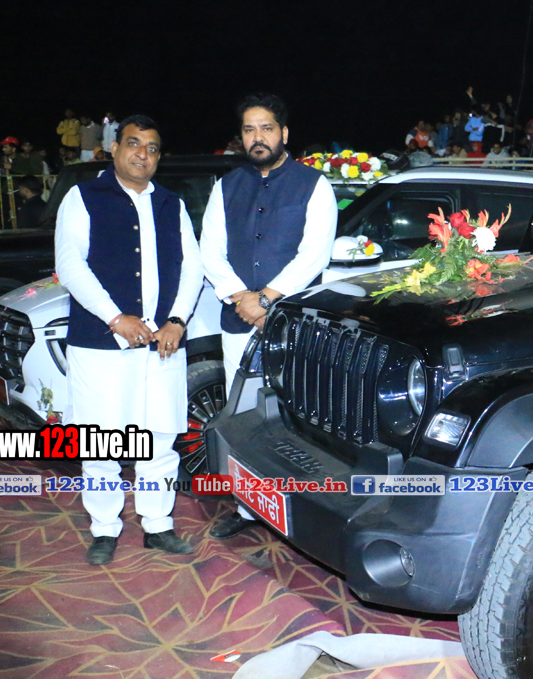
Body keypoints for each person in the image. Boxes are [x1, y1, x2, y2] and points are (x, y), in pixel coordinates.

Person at [54, 115, 204, 565]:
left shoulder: (172, 204)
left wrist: (177, 320)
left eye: (152, 148)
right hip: (101, 344)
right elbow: (71, 265)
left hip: (163, 343)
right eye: (134, 144)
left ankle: (158, 525)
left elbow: (192, 267)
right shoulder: (83, 197)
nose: (143, 154)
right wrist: (115, 317)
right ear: (115, 149)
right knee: (102, 442)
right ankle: (104, 528)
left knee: (160, 437)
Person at [199, 93, 337, 540]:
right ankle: (247, 508)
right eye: (249, 130)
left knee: (296, 416)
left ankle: (303, 509)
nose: (257, 137)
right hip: (239, 320)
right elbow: (210, 251)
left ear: (284, 133)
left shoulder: (314, 185)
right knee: (242, 414)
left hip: (294, 324)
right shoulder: (226, 186)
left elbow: (313, 254)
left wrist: (267, 298)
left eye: (266, 128)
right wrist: (242, 298)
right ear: (241, 137)